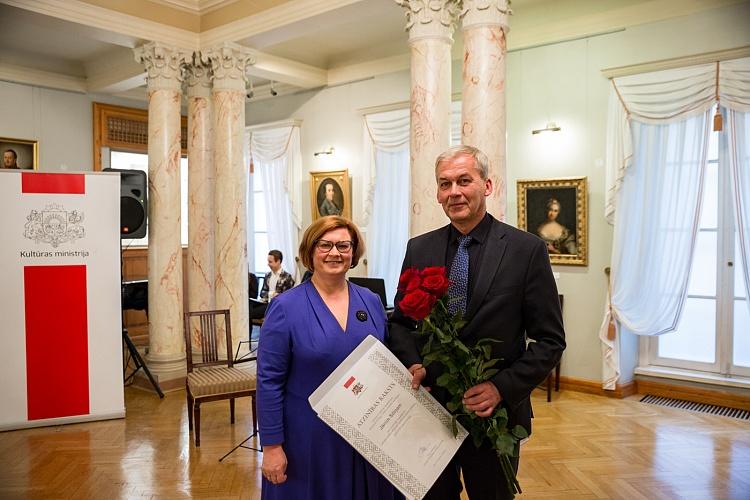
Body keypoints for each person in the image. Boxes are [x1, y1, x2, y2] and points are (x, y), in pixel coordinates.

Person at [388, 145, 566, 500]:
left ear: (487, 185)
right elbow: (402, 322)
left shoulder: (525, 250)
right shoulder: (418, 248)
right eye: (444, 184)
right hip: (429, 410)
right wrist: (414, 363)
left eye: (463, 181)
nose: (453, 192)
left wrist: (502, 388)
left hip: (494, 414)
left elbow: (550, 340)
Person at [257, 216, 402, 500]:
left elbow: (386, 364)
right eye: (325, 245)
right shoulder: (285, 307)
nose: (335, 253)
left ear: (354, 253)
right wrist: (272, 446)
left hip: (368, 436)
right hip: (309, 440)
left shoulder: (371, 301)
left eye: (343, 246)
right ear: (310, 252)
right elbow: (268, 381)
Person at [252, 250, 295, 320]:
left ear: (278, 261)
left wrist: (276, 295)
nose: (268, 264)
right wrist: (272, 294)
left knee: (252, 313)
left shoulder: (287, 277)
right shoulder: (267, 275)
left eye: (270, 262)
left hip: (278, 306)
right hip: (266, 303)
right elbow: (262, 293)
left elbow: (288, 298)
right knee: (249, 309)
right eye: (268, 261)